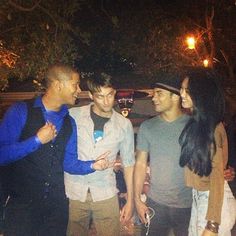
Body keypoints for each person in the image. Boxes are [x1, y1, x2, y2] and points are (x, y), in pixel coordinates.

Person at [0, 64, 110, 236]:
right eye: (75, 84)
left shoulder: (69, 121)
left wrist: (93, 165)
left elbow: (68, 162)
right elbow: (2, 154)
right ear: (59, 85)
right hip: (22, 207)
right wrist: (36, 140)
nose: (78, 90)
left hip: (56, 209)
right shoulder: (20, 110)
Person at [64, 72, 135, 236]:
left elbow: (129, 164)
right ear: (90, 95)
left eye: (110, 95)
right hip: (74, 191)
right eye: (100, 96)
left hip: (105, 191)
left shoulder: (124, 125)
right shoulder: (73, 116)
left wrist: (130, 200)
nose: (106, 101)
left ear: (114, 93)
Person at [134, 72, 192, 236]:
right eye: (154, 93)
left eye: (159, 93)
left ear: (175, 97)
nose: (153, 98)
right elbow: (140, 164)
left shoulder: (193, 125)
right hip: (155, 204)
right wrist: (138, 200)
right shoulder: (147, 127)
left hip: (188, 204)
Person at [179, 67, 226, 236]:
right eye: (182, 89)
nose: (182, 94)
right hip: (198, 198)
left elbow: (218, 177)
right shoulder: (195, 124)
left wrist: (213, 224)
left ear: (201, 94)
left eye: (187, 91)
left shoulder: (214, 128)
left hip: (213, 202)